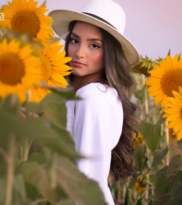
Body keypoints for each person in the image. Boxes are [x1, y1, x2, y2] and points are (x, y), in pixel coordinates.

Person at [50, 0, 141, 204]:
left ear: (110, 53)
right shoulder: (104, 94)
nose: (79, 52)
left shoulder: (91, 97)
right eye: (74, 40)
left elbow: (87, 180)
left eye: (94, 45)